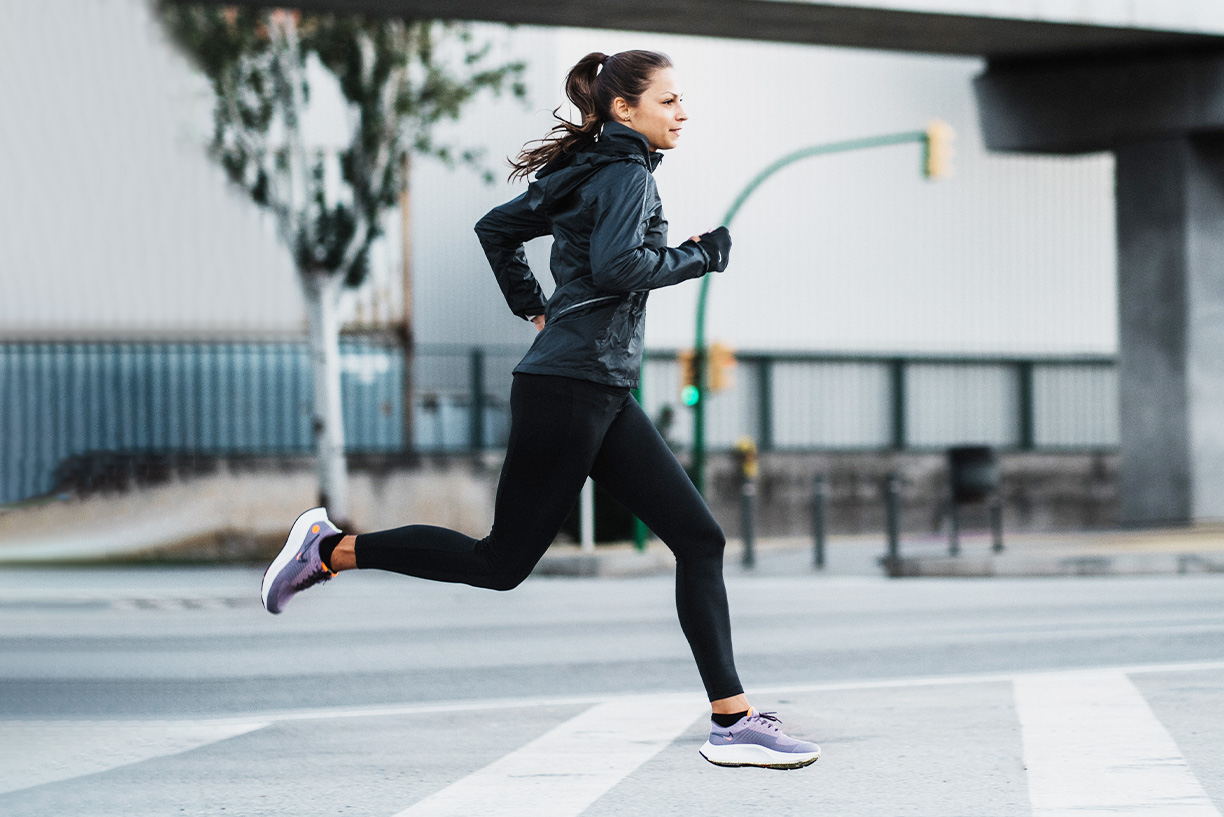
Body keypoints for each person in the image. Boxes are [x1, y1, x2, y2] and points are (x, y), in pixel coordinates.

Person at [261, 49, 819, 770]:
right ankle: (330, 549)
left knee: (699, 539)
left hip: (597, 386)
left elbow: (497, 229)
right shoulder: (622, 175)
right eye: (671, 100)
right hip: (572, 389)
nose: (683, 113)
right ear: (625, 108)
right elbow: (621, 267)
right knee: (500, 563)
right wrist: (700, 255)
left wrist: (534, 306)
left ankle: (733, 719)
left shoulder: (589, 172)